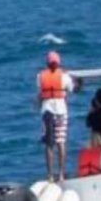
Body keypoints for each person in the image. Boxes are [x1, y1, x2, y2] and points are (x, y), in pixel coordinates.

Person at [37, 51, 72, 182]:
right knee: (61, 142)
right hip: (61, 111)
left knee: (49, 144)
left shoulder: (40, 76)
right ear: (59, 63)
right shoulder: (64, 76)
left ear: (47, 63)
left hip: (47, 111)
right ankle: (62, 174)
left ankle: (50, 175)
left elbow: (40, 93)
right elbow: (71, 89)